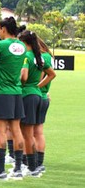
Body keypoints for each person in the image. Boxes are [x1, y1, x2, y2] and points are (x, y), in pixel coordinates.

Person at [0, 17, 27, 181]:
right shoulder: (21, 46)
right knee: (16, 130)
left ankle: (0, 169)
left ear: (2, 29)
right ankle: (17, 169)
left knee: (0, 131)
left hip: (1, 91)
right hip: (16, 91)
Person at [18, 30, 55, 177]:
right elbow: (51, 74)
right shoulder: (39, 56)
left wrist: (19, 82)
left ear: (24, 42)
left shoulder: (26, 56)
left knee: (26, 133)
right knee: (36, 132)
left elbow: (24, 77)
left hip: (27, 95)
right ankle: (37, 164)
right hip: (39, 95)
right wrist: (38, 86)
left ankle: (30, 166)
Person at [35, 36, 55, 173]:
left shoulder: (40, 57)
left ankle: (29, 162)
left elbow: (41, 76)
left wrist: (36, 87)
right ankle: (39, 163)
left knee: (29, 131)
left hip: (35, 96)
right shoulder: (47, 56)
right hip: (44, 97)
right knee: (39, 131)